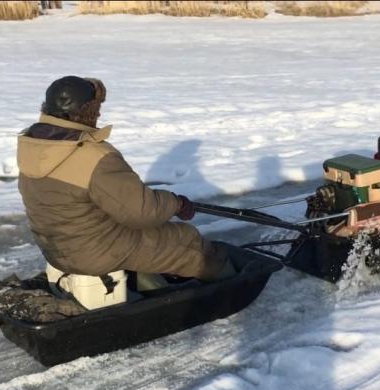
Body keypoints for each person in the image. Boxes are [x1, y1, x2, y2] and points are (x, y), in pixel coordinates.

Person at [17, 76, 233, 284]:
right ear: (88, 111)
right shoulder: (94, 155)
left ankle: (149, 282)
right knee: (187, 241)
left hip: (56, 250)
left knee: (144, 234)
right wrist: (176, 204)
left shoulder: (34, 145)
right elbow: (142, 212)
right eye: (96, 109)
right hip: (95, 252)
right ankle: (229, 282)